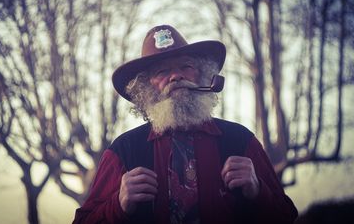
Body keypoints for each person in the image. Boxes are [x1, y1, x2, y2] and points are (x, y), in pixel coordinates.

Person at [72, 25, 298, 224]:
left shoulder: (241, 140)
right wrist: (118, 205)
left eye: (186, 66)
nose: (175, 77)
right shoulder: (124, 150)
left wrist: (257, 190)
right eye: (162, 71)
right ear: (146, 88)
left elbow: (286, 216)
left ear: (202, 75)